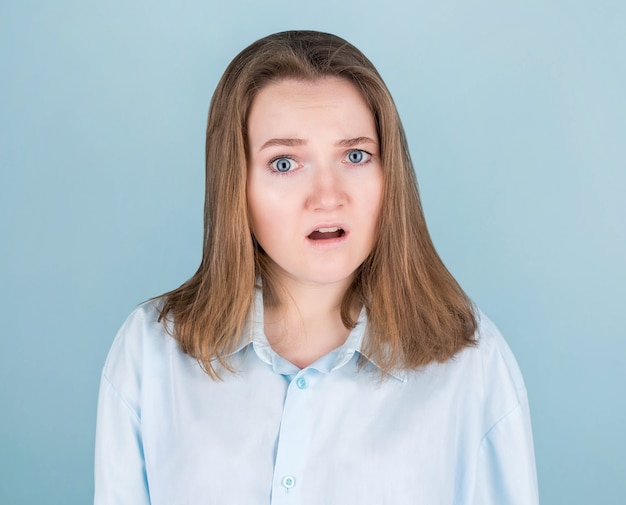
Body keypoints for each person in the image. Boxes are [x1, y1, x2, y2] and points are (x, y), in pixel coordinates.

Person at [94, 30, 539, 504]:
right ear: (235, 184)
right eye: (285, 163)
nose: (328, 196)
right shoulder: (150, 352)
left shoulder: (472, 363)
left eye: (355, 155)